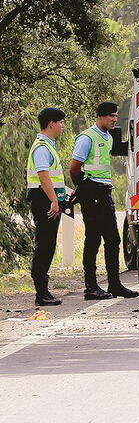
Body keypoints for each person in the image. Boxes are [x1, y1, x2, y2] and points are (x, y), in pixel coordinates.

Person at [70, 102, 138, 300]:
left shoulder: (108, 137)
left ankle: (114, 285)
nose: (115, 119)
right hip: (92, 191)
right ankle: (91, 287)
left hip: (104, 191)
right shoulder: (87, 137)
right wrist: (83, 188)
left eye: (116, 116)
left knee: (112, 240)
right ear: (100, 117)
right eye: (111, 116)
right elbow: (74, 167)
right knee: (93, 239)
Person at [26, 108, 68, 306]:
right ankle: (41, 293)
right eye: (61, 122)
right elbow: (43, 177)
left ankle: (43, 292)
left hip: (47, 199)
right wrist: (54, 200)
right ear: (51, 124)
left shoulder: (48, 146)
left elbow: (53, 178)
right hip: (44, 201)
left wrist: (64, 195)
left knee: (48, 244)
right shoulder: (42, 148)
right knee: (44, 245)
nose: (63, 126)